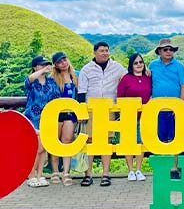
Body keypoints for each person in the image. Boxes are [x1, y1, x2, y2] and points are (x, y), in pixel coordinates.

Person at [76, 42, 126, 187]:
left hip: (109, 109)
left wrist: (146, 71)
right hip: (91, 110)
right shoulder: (87, 69)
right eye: (101, 51)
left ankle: (105, 174)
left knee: (106, 142)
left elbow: (129, 77)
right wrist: (82, 111)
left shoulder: (117, 67)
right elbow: (81, 91)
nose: (105, 53)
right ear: (94, 53)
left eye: (107, 50)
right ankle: (88, 174)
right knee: (89, 141)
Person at [149, 38, 184, 179]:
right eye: (165, 49)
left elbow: (183, 86)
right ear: (159, 51)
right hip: (158, 107)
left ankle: (174, 168)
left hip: (174, 107)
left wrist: (180, 106)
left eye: (171, 49)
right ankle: (162, 167)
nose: (169, 52)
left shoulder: (179, 66)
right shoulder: (152, 65)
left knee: (174, 138)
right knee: (160, 137)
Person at [24, 55, 60, 188]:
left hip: (47, 118)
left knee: (43, 149)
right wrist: (41, 71)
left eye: (47, 64)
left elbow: (57, 98)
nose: (45, 66)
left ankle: (40, 174)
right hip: (32, 118)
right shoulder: (32, 81)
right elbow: (28, 80)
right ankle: (31, 175)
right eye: (42, 64)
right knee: (35, 148)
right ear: (35, 67)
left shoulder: (51, 82)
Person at [116, 53, 151, 182]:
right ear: (131, 65)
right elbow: (120, 96)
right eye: (135, 63)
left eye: (140, 62)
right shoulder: (126, 78)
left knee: (140, 142)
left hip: (144, 116)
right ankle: (130, 170)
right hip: (128, 115)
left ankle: (139, 169)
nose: (139, 65)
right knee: (129, 143)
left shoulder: (148, 77)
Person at [49, 51, 78, 186]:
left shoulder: (75, 75)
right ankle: (55, 171)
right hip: (56, 112)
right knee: (55, 142)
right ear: (56, 65)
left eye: (64, 60)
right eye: (60, 62)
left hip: (71, 113)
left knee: (67, 140)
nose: (63, 63)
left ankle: (66, 172)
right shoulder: (53, 78)